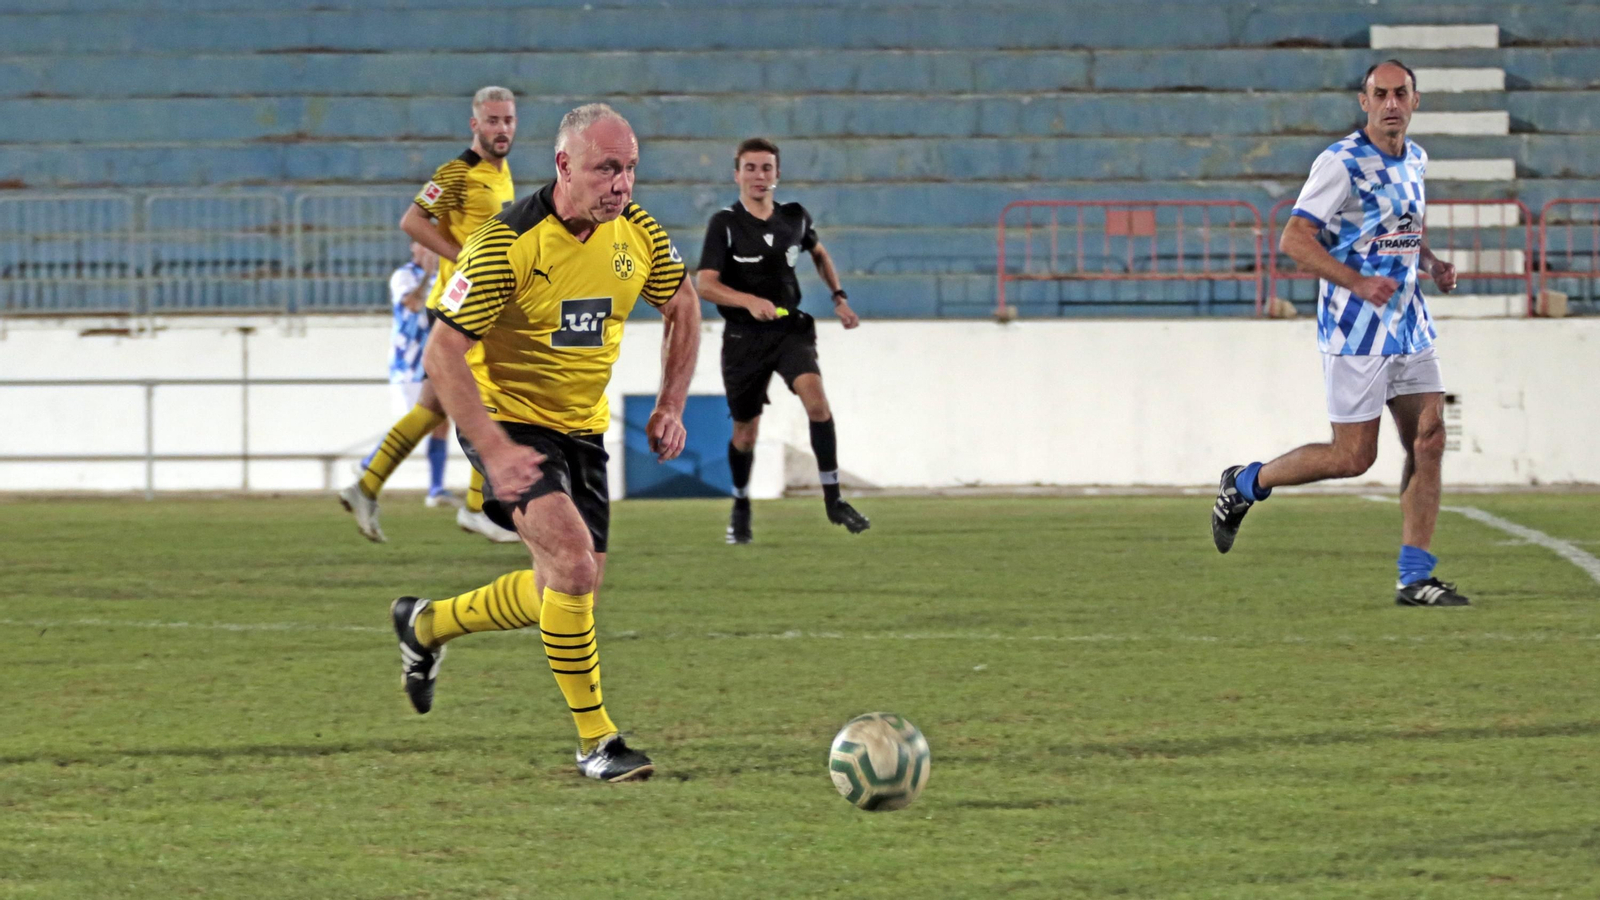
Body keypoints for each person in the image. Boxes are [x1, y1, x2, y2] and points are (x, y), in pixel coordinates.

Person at [389, 103, 701, 782]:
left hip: (582, 430)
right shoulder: (505, 244)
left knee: (566, 585)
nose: (621, 184)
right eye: (606, 168)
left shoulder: (638, 233)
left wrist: (671, 403)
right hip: (507, 422)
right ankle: (597, 742)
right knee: (573, 566)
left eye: (630, 169)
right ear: (564, 165)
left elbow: (683, 304)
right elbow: (442, 353)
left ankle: (427, 625)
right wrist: (495, 450)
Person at [1212, 60, 1468, 607]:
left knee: (1430, 439)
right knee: (1353, 457)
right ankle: (1246, 483)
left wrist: (1431, 263)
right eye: (1382, 94)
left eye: (1401, 94)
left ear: (1416, 101)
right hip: (1356, 330)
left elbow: (1402, 228)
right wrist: (1357, 282)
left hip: (1409, 322)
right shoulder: (1340, 163)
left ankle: (1415, 578)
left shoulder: (1416, 159)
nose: (1391, 103)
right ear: (1364, 101)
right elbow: (1294, 238)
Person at [338, 85, 519, 544]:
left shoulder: (502, 173)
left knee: (431, 408)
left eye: (508, 120)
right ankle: (479, 509)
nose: (502, 128)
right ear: (475, 124)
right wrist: (461, 257)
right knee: (490, 399)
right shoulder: (457, 173)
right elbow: (412, 221)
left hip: (474, 305)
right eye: (493, 120)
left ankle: (366, 486)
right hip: (462, 307)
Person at [695, 137, 869, 545]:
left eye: (766, 168)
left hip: (790, 330)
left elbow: (819, 253)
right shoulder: (725, 224)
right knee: (745, 434)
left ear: (777, 174)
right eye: (750, 168)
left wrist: (839, 297)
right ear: (737, 174)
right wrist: (748, 301)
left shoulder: (794, 217)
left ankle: (834, 500)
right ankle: (741, 503)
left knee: (817, 403)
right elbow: (705, 284)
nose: (759, 175)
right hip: (744, 339)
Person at [353, 241, 456, 506]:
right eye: (425, 245)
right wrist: (426, 275)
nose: (430, 250)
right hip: (408, 362)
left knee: (440, 421)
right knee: (417, 420)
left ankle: (435, 489)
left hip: (434, 360)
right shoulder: (404, 276)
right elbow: (412, 304)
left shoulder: (444, 276)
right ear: (414, 248)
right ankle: (370, 464)